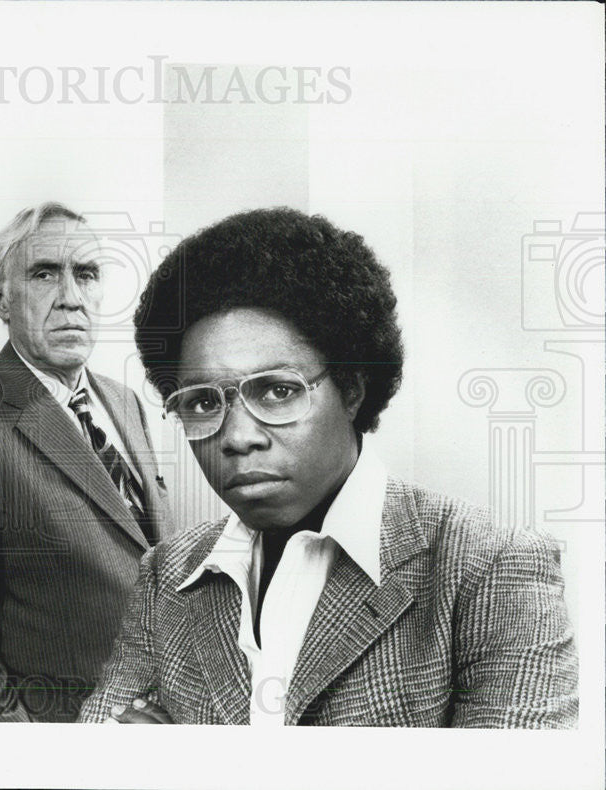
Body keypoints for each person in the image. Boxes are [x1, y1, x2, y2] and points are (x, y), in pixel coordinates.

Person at [80, 207, 578, 727]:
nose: (237, 437)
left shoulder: (490, 565)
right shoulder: (169, 573)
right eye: (203, 403)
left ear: (353, 390)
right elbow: (88, 765)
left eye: (278, 391)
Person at [0, 202, 173, 722]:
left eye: (86, 274)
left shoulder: (127, 404)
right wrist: (35, 764)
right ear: (0, 296)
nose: (71, 298)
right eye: (45, 274)